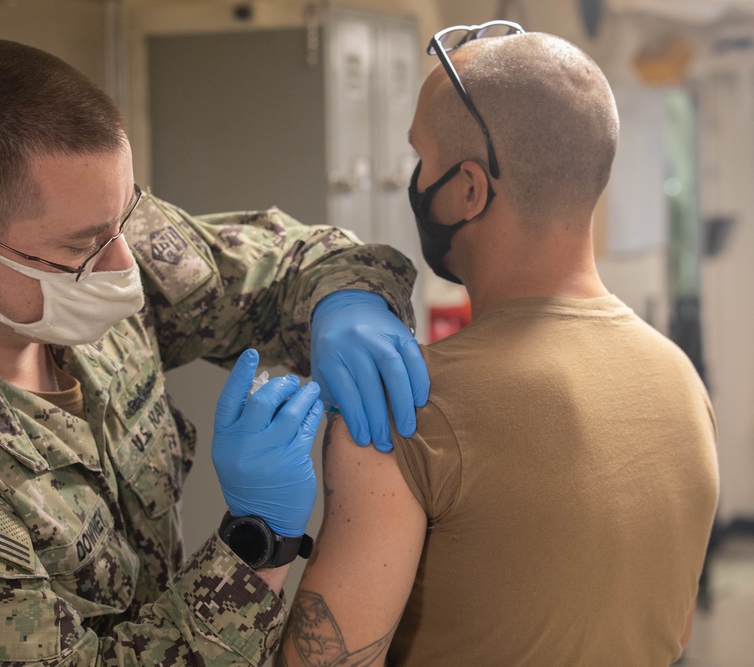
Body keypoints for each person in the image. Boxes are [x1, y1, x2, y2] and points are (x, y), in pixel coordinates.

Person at [0, 39, 429, 666]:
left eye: (124, 218)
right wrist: (255, 544)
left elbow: (292, 262)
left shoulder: (84, 243)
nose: (126, 264)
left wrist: (344, 304)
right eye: (85, 245)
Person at [279, 24, 719, 667]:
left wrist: (254, 543)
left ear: (467, 190)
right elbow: (671, 631)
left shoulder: (402, 409)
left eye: (419, 159)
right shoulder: (680, 382)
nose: (413, 179)